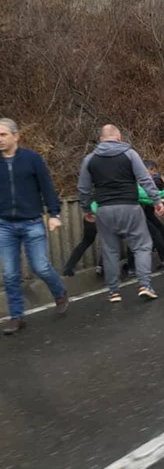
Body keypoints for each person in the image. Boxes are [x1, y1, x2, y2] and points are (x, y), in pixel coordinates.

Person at [78, 125, 164, 303]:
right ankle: (144, 285)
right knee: (141, 246)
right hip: (130, 207)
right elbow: (145, 179)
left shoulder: (90, 159)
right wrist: (156, 201)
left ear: (101, 139)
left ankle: (113, 292)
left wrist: (87, 209)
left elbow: (83, 188)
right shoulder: (130, 154)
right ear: (119, 138)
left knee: (110, 251)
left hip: (104, 210)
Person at [0, 118, 69, 334]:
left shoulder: (32, 159)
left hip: (31, 222)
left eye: (3, 135)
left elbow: (47, 187)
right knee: (10, 274)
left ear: (16, 136)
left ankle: (59, 292)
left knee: (40, 266)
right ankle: (16, 317)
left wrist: (54, 214)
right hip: (4, 225)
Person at [61, 211, 103, 278]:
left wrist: (89, 211)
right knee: (107, 243)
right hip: (105, 216)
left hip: (90, 218)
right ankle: (101, 267)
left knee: (85, 242)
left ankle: (69, 267)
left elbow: (85, 201)